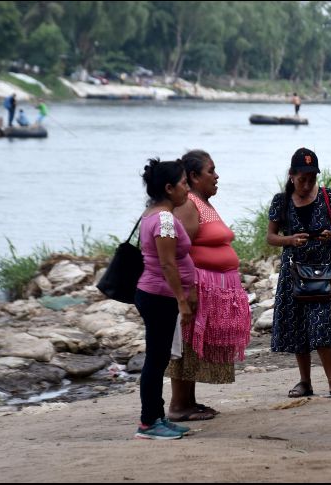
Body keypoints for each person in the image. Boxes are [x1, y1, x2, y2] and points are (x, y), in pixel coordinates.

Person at [167, 150, 252, 422]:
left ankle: (188, 402)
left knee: (195, 344)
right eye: (211, 171)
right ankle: (179, 405)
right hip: (198, 287)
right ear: (193, 176)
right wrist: (187, 290)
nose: (216, 176)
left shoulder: (203, 203)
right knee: (188, 343)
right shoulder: (189, 204)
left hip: (213, 288)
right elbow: (180, 251)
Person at [266, 148, 331, 399]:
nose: (307, 185)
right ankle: (304, 381)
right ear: (291, 176)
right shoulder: (281, 201)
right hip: (293, 273)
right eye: (302, 179)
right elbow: (271, 237)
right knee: (296, 328)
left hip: (321, 272)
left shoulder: (328, 197)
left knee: (321, 326)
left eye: (312, 179)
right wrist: (290, 240)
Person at [134, 158, 196, 440]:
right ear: (169, 188)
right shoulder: (165, 220)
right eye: (184, 183)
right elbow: (168, 264)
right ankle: (148, 423)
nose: (187, 188)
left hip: (155, 294)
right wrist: (181, 300)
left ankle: (157, 417)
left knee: (157, 359)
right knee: (156, 360)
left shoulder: (151, 214)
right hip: (159, 296)